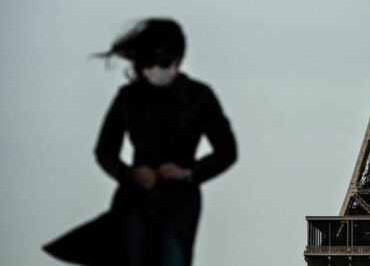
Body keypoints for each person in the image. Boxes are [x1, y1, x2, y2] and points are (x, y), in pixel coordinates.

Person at [44, 18, 237, 266]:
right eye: (149, 63)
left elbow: (228, 151)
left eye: (163, 62)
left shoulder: (199, 97)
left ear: (179, 59)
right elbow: (105, 151)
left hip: (179, 206)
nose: (156, 69)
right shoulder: (129, 97)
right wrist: (130, 174)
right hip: (135, 202)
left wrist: (188, 173)